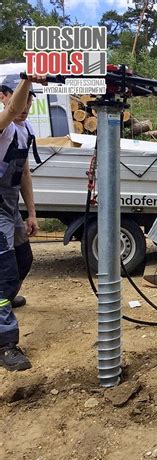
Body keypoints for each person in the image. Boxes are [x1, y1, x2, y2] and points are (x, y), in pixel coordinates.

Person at [0, 74, 42, 371]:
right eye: (21, 97)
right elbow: (12, 111)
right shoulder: (3, 124)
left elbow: (24, 172)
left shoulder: (24, 130)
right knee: (4, 276)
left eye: (30, 99)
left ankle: (5, 297)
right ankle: (6, 345)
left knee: (24, 259)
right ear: (4, 95)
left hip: (9, 207)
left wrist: (31, 212)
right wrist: (27, 80)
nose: (25, 105)